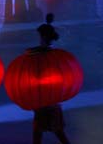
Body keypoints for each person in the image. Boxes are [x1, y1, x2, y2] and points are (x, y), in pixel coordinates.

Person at [28, 13, 71, 144]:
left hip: (44, 98)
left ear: (43, 36)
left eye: (40, 36)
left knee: (41, 130)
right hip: (51, 97)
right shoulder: (53, 54)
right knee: (54, 129)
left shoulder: (43, 54)